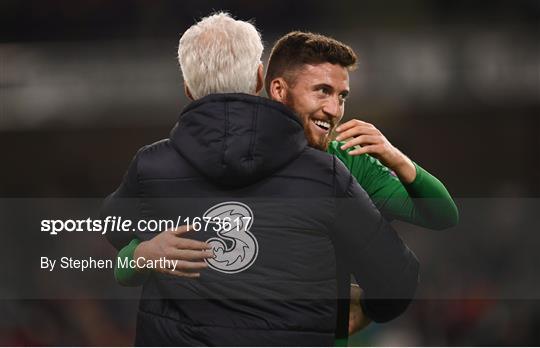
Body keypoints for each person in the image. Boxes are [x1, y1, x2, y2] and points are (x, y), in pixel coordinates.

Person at [102, 12, 418, 346]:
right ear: (258, 79)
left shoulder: (151, 167)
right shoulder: (324, 174)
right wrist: (367, 307)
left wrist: (139, 254)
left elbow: (112, 229)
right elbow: (397, 279)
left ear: (187, 88)